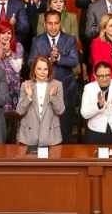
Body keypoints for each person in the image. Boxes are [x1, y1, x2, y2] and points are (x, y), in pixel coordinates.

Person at [29, 9, 80, 143]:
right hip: (43, 90)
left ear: (60, 23)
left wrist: (59, 58)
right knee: (45, 128)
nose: (53, 27)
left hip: (66, 89)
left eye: (56, 23)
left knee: (65, 128)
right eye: (50, 23)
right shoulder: (37, 41)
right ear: (45, 24)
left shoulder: (69, 39)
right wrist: (48, 60)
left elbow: (74, 61)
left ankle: (66, 158)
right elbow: (30, 62)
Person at [16, 55, 65, 146]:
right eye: (39, 69)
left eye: (45, 69)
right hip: (29, 136)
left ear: (49, 70)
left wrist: (53, 97)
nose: (42, 72)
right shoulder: (26, 85)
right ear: (34, 69)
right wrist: (28, 96)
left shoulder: (57, 85)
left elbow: (60, 110)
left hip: (51, 136)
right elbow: (19, 111)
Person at [80, 61, 112, 144]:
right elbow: (84, 114)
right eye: (101, 76)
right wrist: (98, 105)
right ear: (95, 75)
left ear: (111, 74)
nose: (104, 79)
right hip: (96, 131)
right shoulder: (88, 88)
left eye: (107, 75)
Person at [0, 18, 25, 112]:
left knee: (13, 120)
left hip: (13, 88)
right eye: (3, 33)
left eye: (9, 33)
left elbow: (17, 69)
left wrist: (9, 53)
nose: (6, 36)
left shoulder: (18, 47)